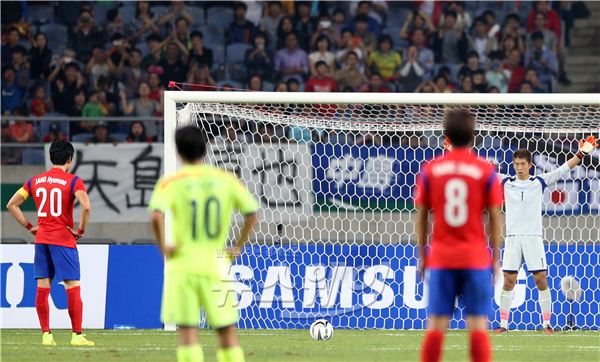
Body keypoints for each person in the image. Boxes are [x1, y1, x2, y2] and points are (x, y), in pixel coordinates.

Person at [148, 125, 259, 362]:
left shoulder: (170, 183)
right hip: (215, 264)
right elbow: (251, 213)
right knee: (227, 333)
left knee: (188, 333)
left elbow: (156, 216)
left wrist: (163, 247)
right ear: (205, 148)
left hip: (182, 265)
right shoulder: (226, 180)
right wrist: (238, 245)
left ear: (178, 151)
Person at [415, 109, 503, 362]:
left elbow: (422, 216)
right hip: (475, 258)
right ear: (473, 136)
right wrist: (495, 258)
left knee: (436, 328)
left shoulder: (432, 169)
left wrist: (422, 255)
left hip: (442, 258)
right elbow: (495, 216)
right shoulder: (484, 170)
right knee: (477, 327)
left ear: (446, 136)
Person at [496, 136, 598, 335]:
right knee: (508, 280)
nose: (519, 167)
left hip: (533, 237)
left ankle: (546, 324)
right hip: (513, 238)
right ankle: (503, 324)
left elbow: (563, 169)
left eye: (522, 164)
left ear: (530, 165)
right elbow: (479, 172)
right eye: (516, 164)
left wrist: (582, 153)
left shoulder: (539, 182)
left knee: (540, 279)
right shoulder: (506, 182)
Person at [5, 140, 94, 346]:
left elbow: (11, 205)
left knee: (42, 288)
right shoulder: (73, 181)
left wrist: (30, 227)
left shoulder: (35, 181)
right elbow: (86, 207)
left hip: (41, 239)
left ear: (51, 158)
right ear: (69, 160)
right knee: (72, 286)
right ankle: (77, 336)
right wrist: (80, 230)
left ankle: (46, 335)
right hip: (63, 240)